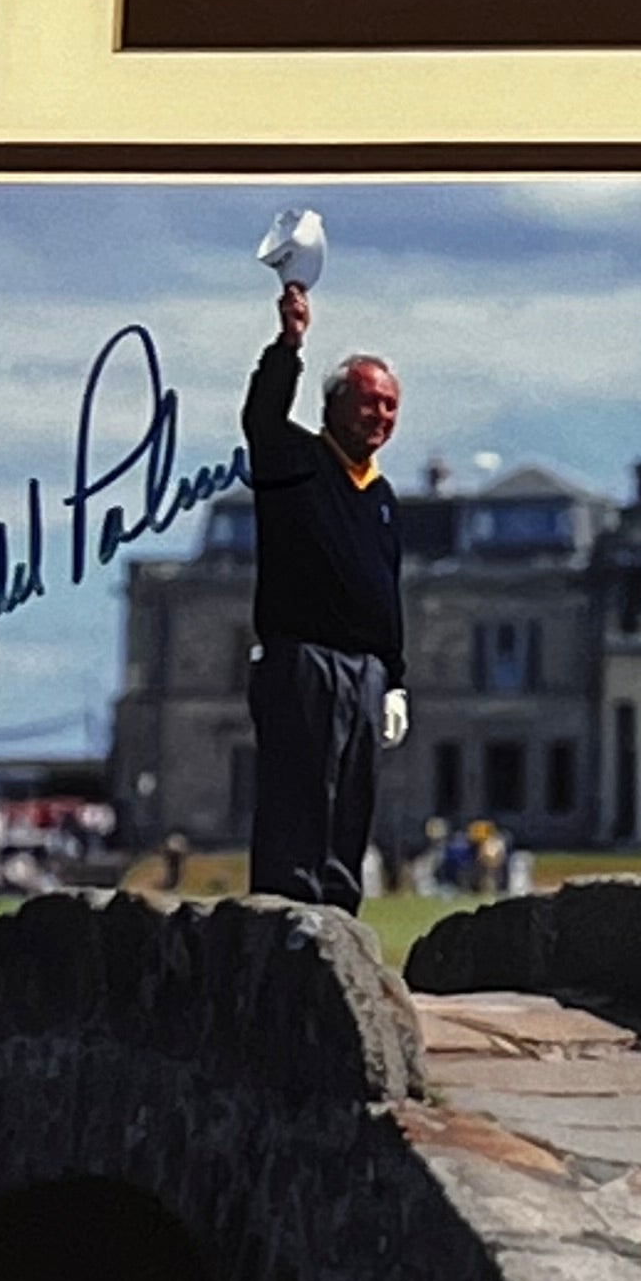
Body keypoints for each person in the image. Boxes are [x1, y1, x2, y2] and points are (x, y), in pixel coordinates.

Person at [240, 278, 408, 910]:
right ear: (335, 404)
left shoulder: (384, 499)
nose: (380, 417)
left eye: (390, 407)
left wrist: (394, 678)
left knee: (351, 803)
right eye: (369, 403)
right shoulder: (293, 460)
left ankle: (339, 928)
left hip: (364, 672)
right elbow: (260, 415)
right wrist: (289, 343)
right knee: (297, 800)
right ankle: (286, 929)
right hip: (300, 660)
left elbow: (387, 595)